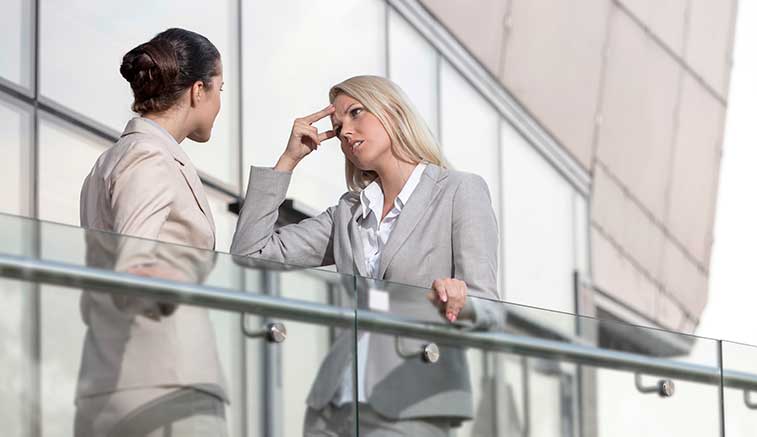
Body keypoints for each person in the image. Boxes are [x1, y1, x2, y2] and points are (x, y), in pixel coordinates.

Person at [231, 75, 502, 435]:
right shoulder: (348, 211)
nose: (345, 132)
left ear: (392, 110)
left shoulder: (459, 191)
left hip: (412, 399)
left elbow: (489, 308)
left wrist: (458, 301)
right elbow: (252, 253)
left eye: (356, 113)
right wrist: (288, 160)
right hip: (332, 407)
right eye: (338, 125)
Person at [75, 28, 228, 437]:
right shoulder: (148, 156)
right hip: (165, 388)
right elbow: (134, 265)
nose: (218, 104)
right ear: (198, 90)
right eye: (219, 89)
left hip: (115, 380)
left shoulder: (112, 159)